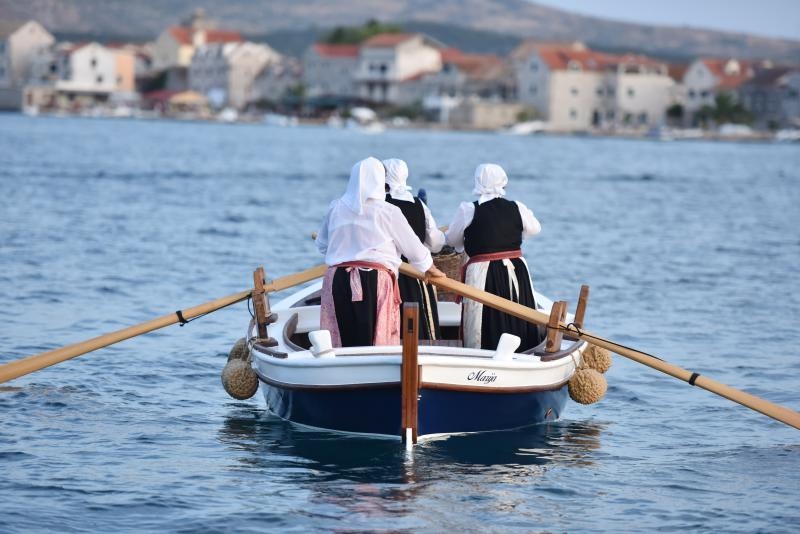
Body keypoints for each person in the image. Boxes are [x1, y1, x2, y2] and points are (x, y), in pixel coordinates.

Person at [316, 157, 446, 347]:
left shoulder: (336, 208)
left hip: (338, 280)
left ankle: (342, 371)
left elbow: (322, 245)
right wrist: (429, 267)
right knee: (377, 340)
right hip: (376, 281)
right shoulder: (388, 211)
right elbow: (414, 250)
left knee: (342, 339)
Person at [445, 163, 542, 351]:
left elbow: (452, 239)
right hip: (515, 267)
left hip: (482, 272)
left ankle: (484, 353)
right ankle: (523, 351)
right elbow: (535, 228)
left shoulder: (469, 210)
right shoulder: (517, 207)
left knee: (485, 317)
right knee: (517, 311)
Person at [382, 158, 445, 340]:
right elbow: (435, 243)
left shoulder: (379, 204)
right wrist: (446, 239)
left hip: (388, 274)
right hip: (417, 272)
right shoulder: (419, 205)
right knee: (420, 325)